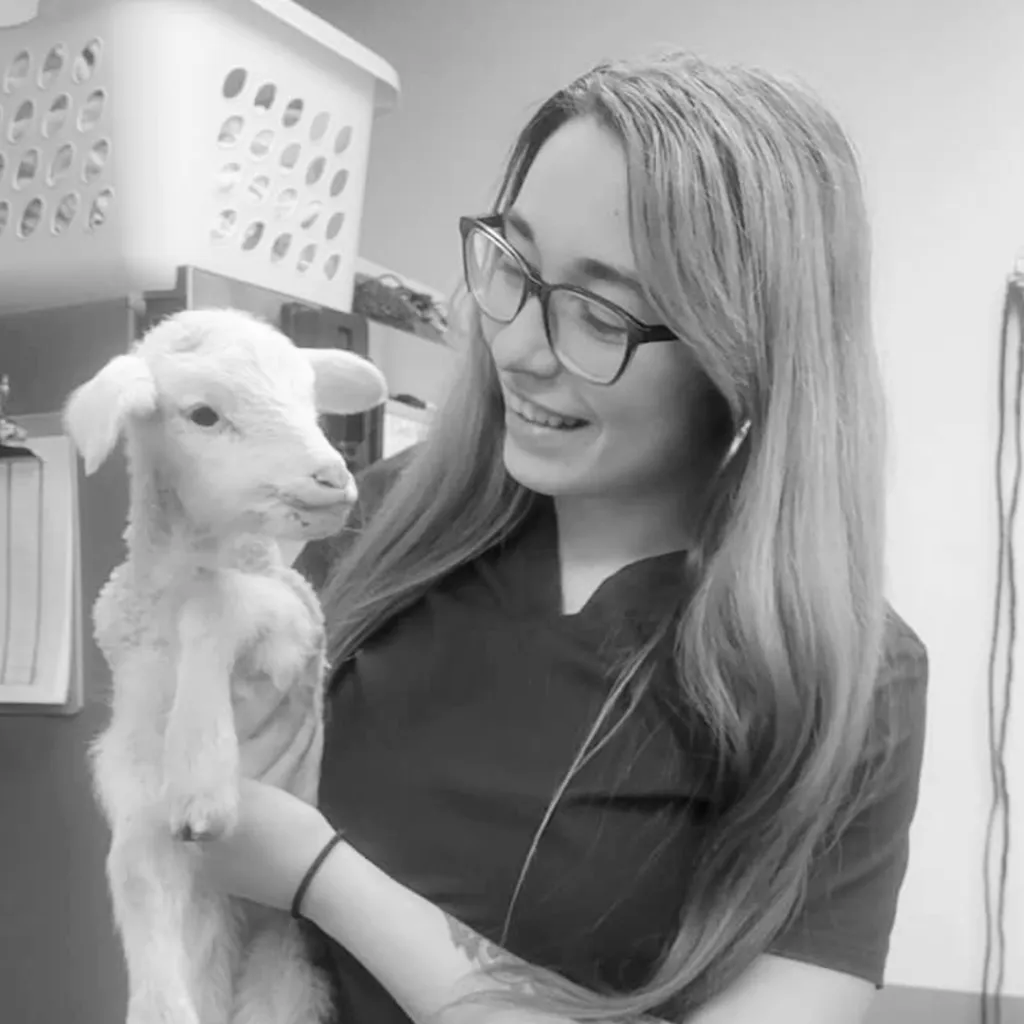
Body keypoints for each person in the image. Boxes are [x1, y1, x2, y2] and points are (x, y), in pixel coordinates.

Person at [203, 50, 929, 1024]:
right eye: (512, 263)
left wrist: (322, 875)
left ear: (744, 349)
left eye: (596, 311)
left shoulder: (850, 679)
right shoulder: (372, 523)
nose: (519, 348)